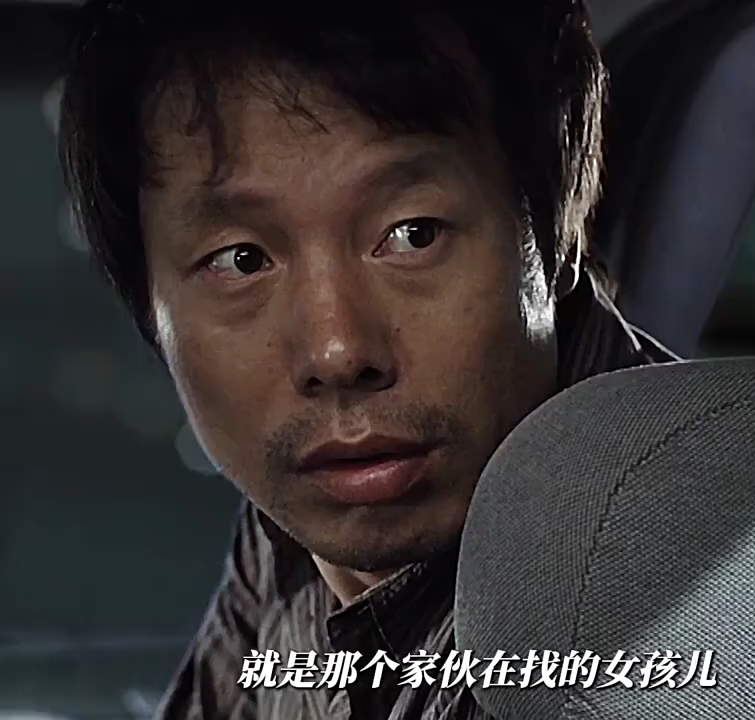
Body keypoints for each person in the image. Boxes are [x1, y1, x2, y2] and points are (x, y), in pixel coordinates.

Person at [58, 0, 677, 717]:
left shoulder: (672, 581)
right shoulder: (304, 521)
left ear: (554, 233)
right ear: (151, 310)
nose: (337, 351)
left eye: (414, 234)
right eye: (242, 260)